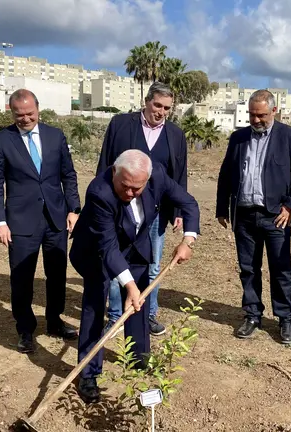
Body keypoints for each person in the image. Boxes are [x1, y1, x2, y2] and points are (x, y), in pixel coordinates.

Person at [70, 149, 199, 403]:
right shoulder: (100, 192)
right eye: (125, 186)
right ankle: (88, 374)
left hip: (135, 248)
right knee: (95, 306)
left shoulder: (157, 176)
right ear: (115, 173)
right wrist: (128, 285)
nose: (130, 193)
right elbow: (108, 248)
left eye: (136, 189)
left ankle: (139, 357)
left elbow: (189, 203)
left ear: (148, 179)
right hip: (96, 251)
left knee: (138, 304)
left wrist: (188, 240)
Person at [0, 89, 81, 353]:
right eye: (19, 115)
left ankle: (54, 321)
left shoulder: (55, 136)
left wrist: (74, 208)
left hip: (56, 218)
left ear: (38, 110)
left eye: (30, 114)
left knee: (57, 273)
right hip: (20, 220)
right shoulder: (2, 141)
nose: (25, 119)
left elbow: (68, 175)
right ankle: (25, 329)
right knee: (22, 277)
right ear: (12, 112)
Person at [215, 89, 291, 344]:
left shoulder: (289, 137)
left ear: (273, 111)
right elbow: (226, 174)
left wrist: (290, 206)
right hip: (244, 215)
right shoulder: (238, 138)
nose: (256, 120)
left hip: (275, 216)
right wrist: (221, 207)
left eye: (261, 115)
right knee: (248, 268)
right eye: (251, 114)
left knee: (281, 269)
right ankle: (252, 314)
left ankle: (285, 319)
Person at [95, 82, 189, 337]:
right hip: (121, 205)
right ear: (146, 101)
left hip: (155, 212)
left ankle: (148, 314)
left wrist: (178, 211)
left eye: (167, 108)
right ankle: (115, 316)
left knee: (152, 263)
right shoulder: (120, 124)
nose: (161, 112)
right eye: (157, 105)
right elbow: (105, 163)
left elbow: (179, 175)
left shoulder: (176, 135)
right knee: (118, 262)